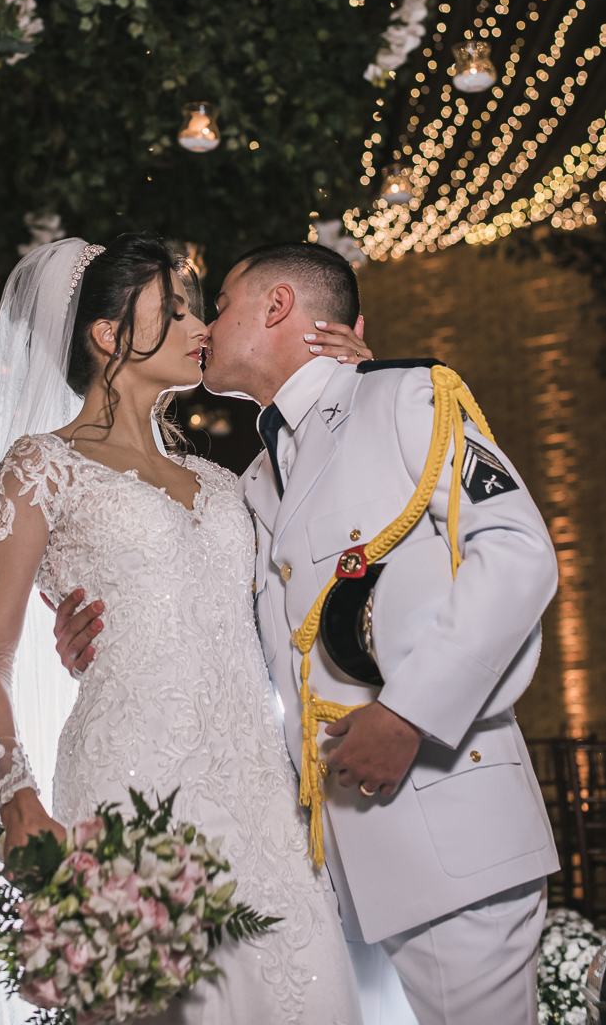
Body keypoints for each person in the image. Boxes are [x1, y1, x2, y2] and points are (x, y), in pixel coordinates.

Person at [0, 234, 371, 1025]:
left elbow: (319, 567)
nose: (200, 328)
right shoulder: (38, 467)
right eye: (179, 309)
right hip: (130, 782)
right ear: (109, 335)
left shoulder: (228, 482)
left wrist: (352, 389)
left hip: (257, 792)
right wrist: (16, 800)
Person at [200, 241, 560, 1025]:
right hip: (330, 862)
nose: (207, 322)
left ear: (276, 306)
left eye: (220, 304)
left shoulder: (403, 399)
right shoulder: (257, 477)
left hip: (445, 829)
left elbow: (517, 555)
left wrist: (409, 713)